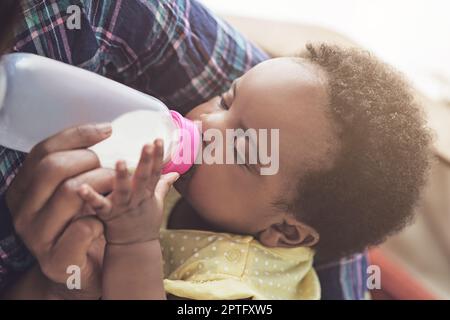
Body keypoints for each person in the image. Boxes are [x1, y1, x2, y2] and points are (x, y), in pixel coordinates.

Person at [0, 0, 415, 299]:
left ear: (285, 232)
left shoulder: (240, 284)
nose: (207, 125)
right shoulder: (204, 185)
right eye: (226, 100)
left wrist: (132, 242)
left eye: (243, 149)